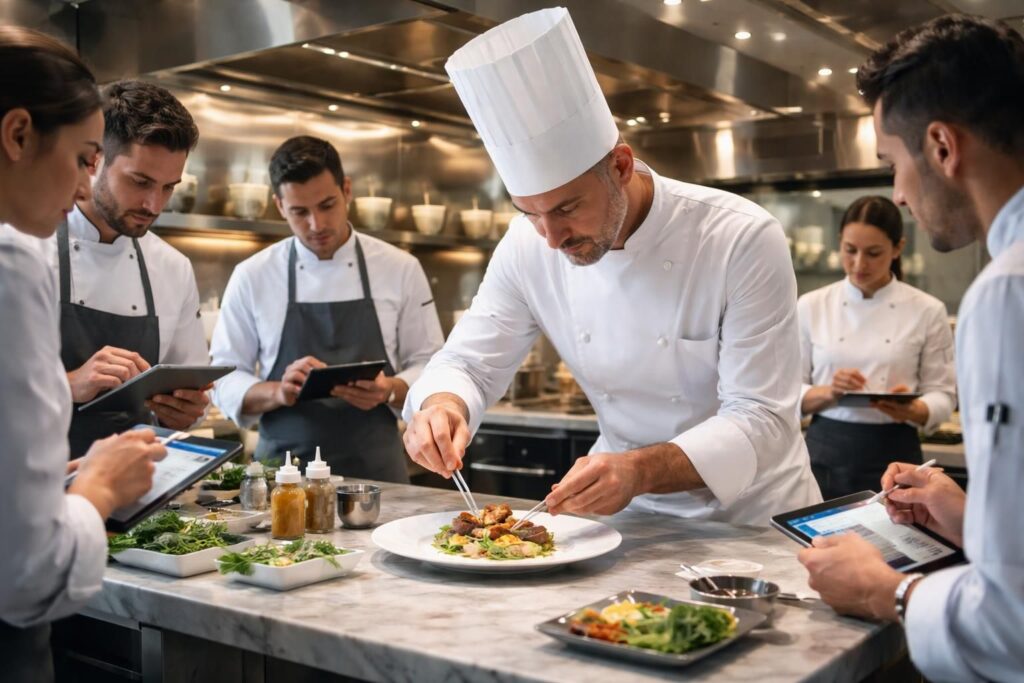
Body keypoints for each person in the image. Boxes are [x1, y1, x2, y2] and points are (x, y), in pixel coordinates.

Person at [402, 7, 821, 525]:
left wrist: (638, 470)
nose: (551, 238)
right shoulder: (526, 246)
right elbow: (468, 362)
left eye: (566, 208)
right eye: (529, 213)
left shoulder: (739, 237)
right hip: (629, 516)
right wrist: (442, 406)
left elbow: (761, 418)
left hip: (754, 518)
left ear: (620, 167)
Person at [798, 15, 1024, 682]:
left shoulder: (1006, 293)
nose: (898, 189)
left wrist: (884, 590)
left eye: (892, 163)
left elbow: (1009, 624)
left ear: (941, 146)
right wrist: (970, 517)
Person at [0, 27, 166, 681]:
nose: (81, 188)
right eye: (82, 159)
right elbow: (28, 573)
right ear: (17, 135)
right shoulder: (13, 262)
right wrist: (95, 486)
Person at [211, 136, 443, 481]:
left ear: (346, 189)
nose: (316, 224)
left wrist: (390, 388)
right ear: (279, 205)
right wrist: (278, 391)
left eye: (327, 205)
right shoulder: (253, 275)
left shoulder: (400, 268)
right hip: (282, 480)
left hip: (378, 478)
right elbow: (223, 377)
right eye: (299, 212)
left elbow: (432, 363)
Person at [39, 80, 209, 457]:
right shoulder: (27, 245)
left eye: (169, 187)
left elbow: (194, 395)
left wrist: (186, 412)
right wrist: (68, 384)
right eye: (140, 181)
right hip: (32, 493)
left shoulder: (173, 268)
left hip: (139, 494)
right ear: (94, 159)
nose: (153, 204)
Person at [798, 196, 956, 499]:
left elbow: (944, 394)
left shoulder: (927, 310)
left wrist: (914, 409)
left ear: (898, 248)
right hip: (825, 451)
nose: (859, 264)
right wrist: (830, 392)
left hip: (896, 450)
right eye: (850, 250)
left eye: (873, 253)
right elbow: (786, 391)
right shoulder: (811, 306)